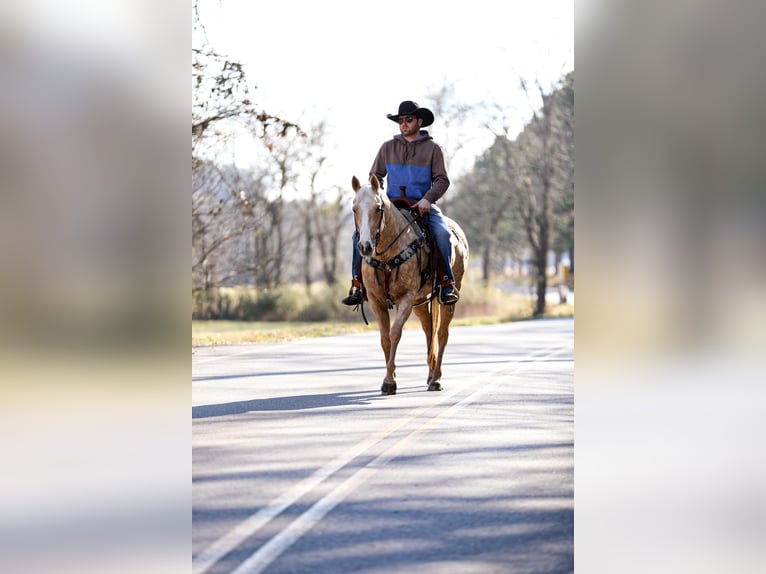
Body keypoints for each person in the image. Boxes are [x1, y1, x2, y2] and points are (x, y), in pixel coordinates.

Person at [342, 100, 460, 306]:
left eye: (409, 119)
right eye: (401, 120)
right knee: (358, 235)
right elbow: (375, 177)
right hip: (392, 207)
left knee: (442, 233)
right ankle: (358, 285)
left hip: (423, 206)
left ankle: (446, 283)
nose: (404, 123)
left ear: (419, 121)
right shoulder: (387, 148)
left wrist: (427, 199)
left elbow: (442, 180)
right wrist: (375, 196)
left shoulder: (434, 149)